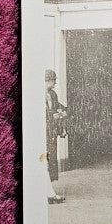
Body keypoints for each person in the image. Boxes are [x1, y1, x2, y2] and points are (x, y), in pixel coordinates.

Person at [44, 68, 68, 204]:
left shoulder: (52, 94)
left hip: (51, 133)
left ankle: (49, 192)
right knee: (43, 161)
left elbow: (58, 107)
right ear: (47, 80)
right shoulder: (36, 95)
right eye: (53, 80)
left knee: (49, 159)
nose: (54, 84)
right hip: (42, 133)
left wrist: (63, 112)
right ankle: (49, 193)